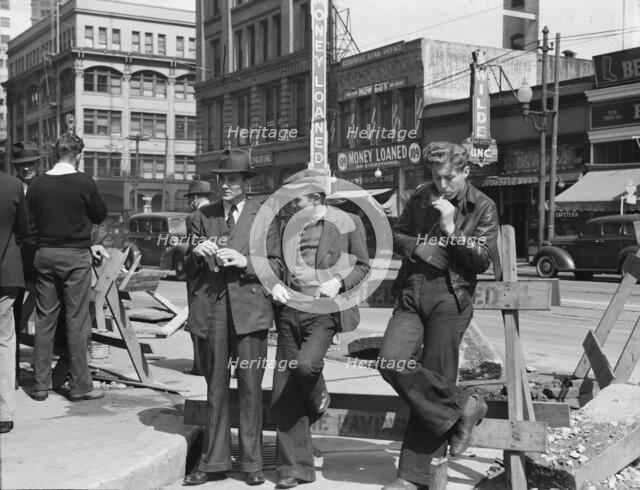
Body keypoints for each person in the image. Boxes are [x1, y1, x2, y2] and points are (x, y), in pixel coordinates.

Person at [378, 141, 500, 490]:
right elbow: (396, 233)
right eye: (436, 177)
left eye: (448, 178)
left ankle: (412, 478)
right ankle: (465, 405)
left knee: (432, 379)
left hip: (451, 297)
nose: (442, 185)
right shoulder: (420, 196)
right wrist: (417, 246)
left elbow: (481, 260)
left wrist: (452, 230)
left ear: (465, 172)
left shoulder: (484, 206)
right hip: (412, 293)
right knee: (392, 362)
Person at [182, 149, 282, 487]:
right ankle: (213, 462)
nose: (226, 185)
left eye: (233, 180)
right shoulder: (202, 216)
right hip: (212, 312)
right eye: (222, 179)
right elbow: (185, 269)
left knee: (251, 389)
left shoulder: (263, 217)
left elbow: (278, 267)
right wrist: (194, 253)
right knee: (216, 389)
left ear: (245, 183)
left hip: (250, 312)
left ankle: (252, 463)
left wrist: (245, 262)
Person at [269, 169, 370, 489]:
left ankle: (318, 395)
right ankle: (293, 468)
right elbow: (277, 265)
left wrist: (338, 282)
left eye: (296, 198)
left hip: (324, 313)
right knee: (283, 393)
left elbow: (365, 267)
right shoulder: (288, 226)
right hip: (289, 313)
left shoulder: (347, 222)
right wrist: (273, 285)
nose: (290, 204)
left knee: (306, 365)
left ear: (314, 198)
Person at [27, 133, 108, 402]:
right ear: (79, 155)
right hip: (75, 257)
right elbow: (99, 214)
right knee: (77, 320)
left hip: (45, 255)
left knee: (44, 320)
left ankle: (40, 386)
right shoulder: (83, 182)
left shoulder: (37, 184)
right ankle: (80, 386)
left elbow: (29, 224)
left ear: (54, 153)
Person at [0, 169, 29, 433]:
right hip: (7, 271)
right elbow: (23, 227)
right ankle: (4, 411)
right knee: (5, 340)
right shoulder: (13, 185)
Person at [10, 142, 41, 388]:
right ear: (16, 169)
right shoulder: (12, 188)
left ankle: (45, 372)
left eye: (30, 164)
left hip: (42, 259)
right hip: (18, 261)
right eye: (22, 165)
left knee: (50, 314)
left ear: (37, 165)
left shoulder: (44, 187)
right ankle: (13, 372)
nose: (26, 169)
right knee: (14, 316)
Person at [183, 179, 216, 376]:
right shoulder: (218, 214)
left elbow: (193, 248)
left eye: (190, 199)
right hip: (215, 274)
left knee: (196, 319)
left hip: (197, 274)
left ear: (195, 199)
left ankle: (200, 365)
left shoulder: (194, 216)